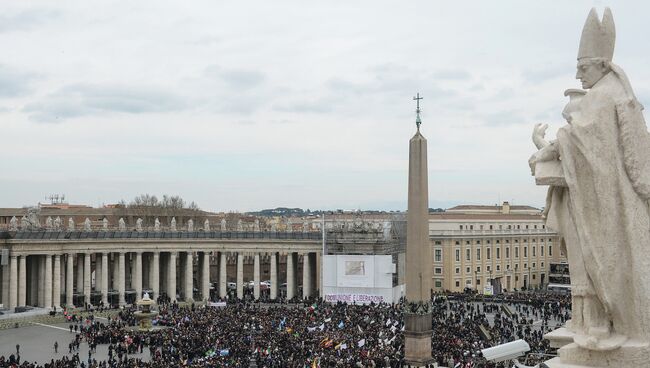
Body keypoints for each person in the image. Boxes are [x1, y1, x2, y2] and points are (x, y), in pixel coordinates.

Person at [530, 7, 650, 350]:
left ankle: (604, 322)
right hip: (595, 199)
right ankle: (594, 320)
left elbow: (583, 142)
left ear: (602, 64)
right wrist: (551, 147)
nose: (579, 74)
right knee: (589, 263)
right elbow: (580, 140)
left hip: (605, 205)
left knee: (600, 262)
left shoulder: (607, 97)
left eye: (583, 68)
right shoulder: (607, 95)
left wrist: (550, 147)